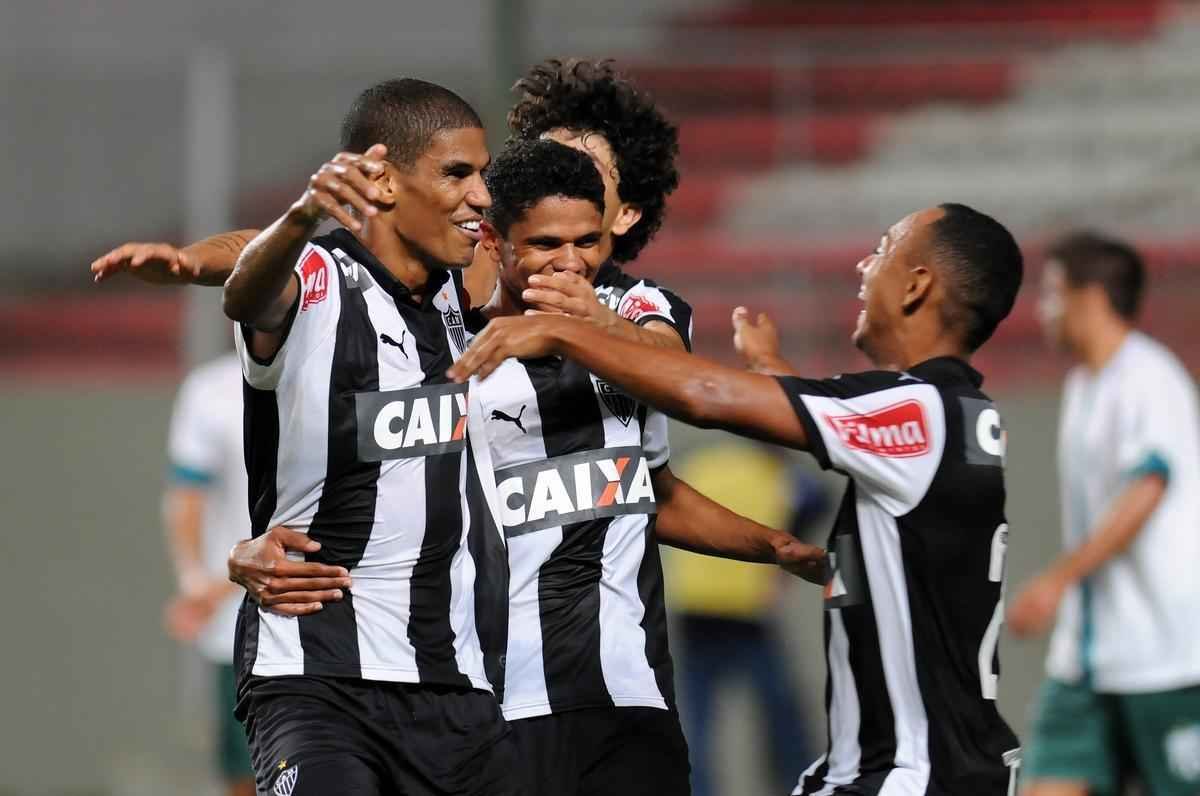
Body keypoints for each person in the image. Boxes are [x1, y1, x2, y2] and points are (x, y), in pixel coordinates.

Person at [449, 203, 1027, 795]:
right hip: (910, 770)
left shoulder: (922, 412)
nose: (863, 262)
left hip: (913, 778)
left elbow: (705, 394)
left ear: (917, 285)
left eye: (882, 248)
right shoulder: (948, 413)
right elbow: (820, 413)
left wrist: (567, 331)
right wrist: (773, 371)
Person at [222, 78, 516, 796]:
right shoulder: (315, 280)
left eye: (484, 175)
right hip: (316, 676)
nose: (480, 195)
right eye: (457, 173)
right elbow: (246, 294)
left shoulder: (462, 296)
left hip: (454, 683)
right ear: (380, 180)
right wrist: (301, 216)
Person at [1007, 232, 1200, 796]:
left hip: (1163, 655)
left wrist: (1058, 578)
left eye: (1051, 292)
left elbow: (1149, 484)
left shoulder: (1150, 377)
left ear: (1089, 298)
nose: (1041, 309)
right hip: (1086, 661)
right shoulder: (1083, 383)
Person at [669, 442, 826, 796]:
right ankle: (797, 786)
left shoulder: (701, 461)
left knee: (698, 717)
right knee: (781, 713)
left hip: (695, 607)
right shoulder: (780, 472)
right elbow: (817, 497)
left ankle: (699, 790)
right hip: (746, 611)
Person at [162, 350, 254, 796]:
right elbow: (186, 495)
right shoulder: (210, 390)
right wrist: (194, 579)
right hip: (238, 629)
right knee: (246, 776)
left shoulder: (353, 368)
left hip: (339, 620)